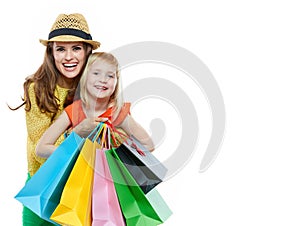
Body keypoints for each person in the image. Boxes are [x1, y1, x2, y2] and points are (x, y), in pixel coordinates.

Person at [10, 13, 101, 225]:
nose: (68, 56)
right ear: (51, 52)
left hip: (81, 189)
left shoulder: (97, 88)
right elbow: (40, 152)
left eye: (76, 48)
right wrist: (77, 134)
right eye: (61, 49)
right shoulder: (38, 89)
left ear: (88, 51)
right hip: (43, 186)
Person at [36, 52, 154, 158]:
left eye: (110, 75)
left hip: (110, 178)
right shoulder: (73, 111)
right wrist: (75, 154)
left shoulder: (117, 112)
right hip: (78, 177)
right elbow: (41, 149)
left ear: (116, 82)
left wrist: (116, 158)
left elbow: (148, 145)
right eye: (96, 73)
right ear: (85, 77)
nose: (103, 79)